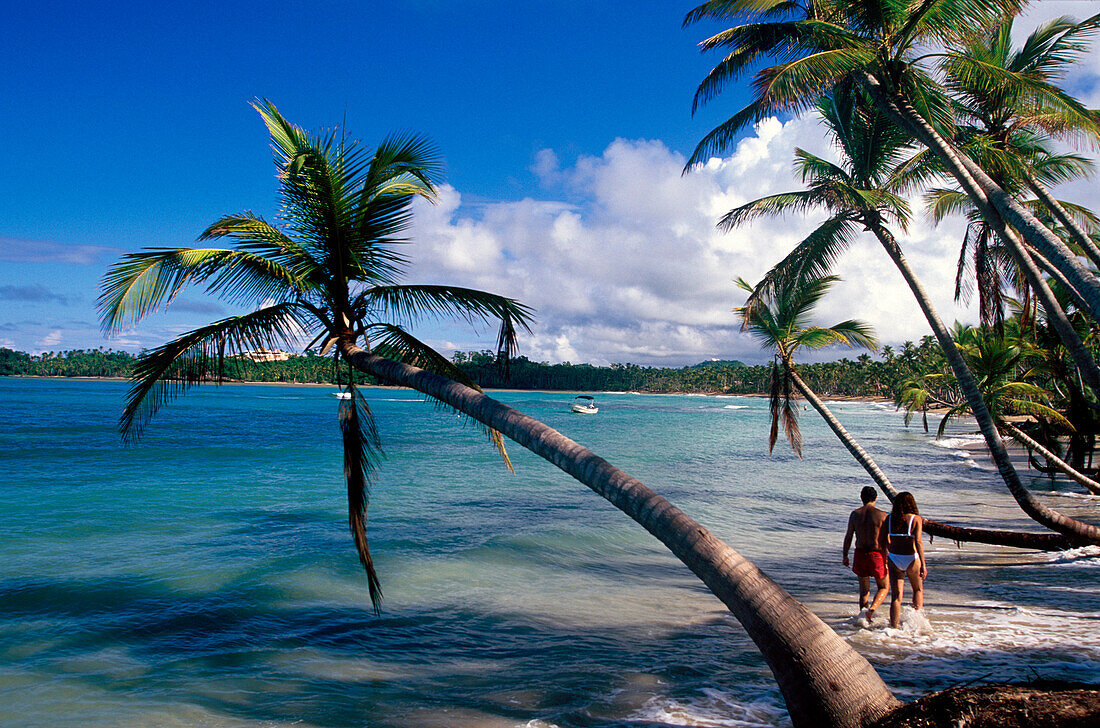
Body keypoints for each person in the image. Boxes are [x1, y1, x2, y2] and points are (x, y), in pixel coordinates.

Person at [879, 491, 927, 628]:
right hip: (911, 558)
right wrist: (923, 564)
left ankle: (893, 627)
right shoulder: (915, 519)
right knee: (917, 590)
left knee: (896, 596)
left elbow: (882, 540)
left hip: (894, 557)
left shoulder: (889, 519)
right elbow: (918, 541)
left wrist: (888, 552)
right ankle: (916, 625)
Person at [842, 486, 888, 621]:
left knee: (864, 591)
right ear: (876, 498)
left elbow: (848, 536)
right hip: (877, 554)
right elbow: (886, 540)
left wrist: (845, 555)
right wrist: (888, 558)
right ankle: (872, 609)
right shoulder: (882, 515)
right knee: (883, 587)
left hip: (860, 554)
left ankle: (863, 618)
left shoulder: (855, 514)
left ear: (861, 498)